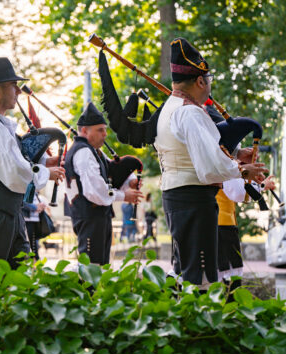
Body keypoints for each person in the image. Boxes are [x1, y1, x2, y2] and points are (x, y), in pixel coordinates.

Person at [153, 38, 268, 287]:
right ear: (200, 80)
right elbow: (209, 168)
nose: (209, 87)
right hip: (194, 199)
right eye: (209, 80)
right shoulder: (190, 112)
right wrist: (240, 170)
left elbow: (199, 150)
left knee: (190, 271)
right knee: (201, 277)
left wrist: (236, 156)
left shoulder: (171, 108)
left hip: (178, 196)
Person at [0, 57, 65, 268]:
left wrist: (46, 163)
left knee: (20, 279)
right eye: (13, 85)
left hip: (7, 212)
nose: (18, 91)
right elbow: (14, 175)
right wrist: (48, 174)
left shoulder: (1, 126)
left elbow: (18, 159)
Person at [64, 102, 143, 265]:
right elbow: (95, 190)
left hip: (97, 217)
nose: (105, 134)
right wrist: (124, 195)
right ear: (85, 131)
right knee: (92, 268)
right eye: (100, 130)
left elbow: (109, 170)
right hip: (89, 217)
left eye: (105, 129)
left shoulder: (93, 151)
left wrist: (130, 182)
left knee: (100, 265)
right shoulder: (83, 152)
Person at [22, 192, 49, 259]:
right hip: (27, 220)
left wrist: (41, 206)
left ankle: (34, 263)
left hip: (35, 220)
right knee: (31, 246)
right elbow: (21, 202)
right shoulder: (25, 186)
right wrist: (35, 207)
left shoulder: (35, 190)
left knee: (34, 245)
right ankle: (33, 263)